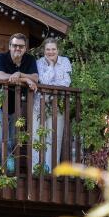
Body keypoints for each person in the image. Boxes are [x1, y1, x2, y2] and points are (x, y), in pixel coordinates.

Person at [0, 33, 38, 173]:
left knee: (11, 140)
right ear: (10, 46)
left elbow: (35, 77)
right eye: (15, 45)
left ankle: (1, 169)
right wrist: (25, 80)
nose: (18, 48)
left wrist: (20, 75)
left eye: (21, 46)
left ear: (25, 48)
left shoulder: (29, 60)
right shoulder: (0, 58)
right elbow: (1, 76)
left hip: (15, 107)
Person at [32, 38, 72, 172]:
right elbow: (43, 81)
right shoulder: (38, 63)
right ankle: (36, 170)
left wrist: (51, 86)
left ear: (58, 50)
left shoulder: (65, 61)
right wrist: (50, 65)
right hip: (39, 105)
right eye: (48, 49)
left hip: (57, 106)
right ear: (44, 50)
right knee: (37, 138)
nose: (51, 52)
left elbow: (66, 83)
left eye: (53, 49)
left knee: (54, 138)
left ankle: (51, 171)